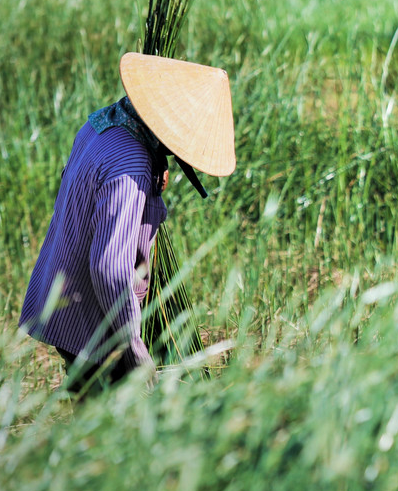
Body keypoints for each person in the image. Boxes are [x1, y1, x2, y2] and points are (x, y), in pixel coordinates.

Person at [19, 53, 236, 398]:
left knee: (89, 420)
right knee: (112, 433)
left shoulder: (103, 124)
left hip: (61, 298)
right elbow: (109, 269)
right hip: (91, 323)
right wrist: (134, 349)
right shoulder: (131, 164)